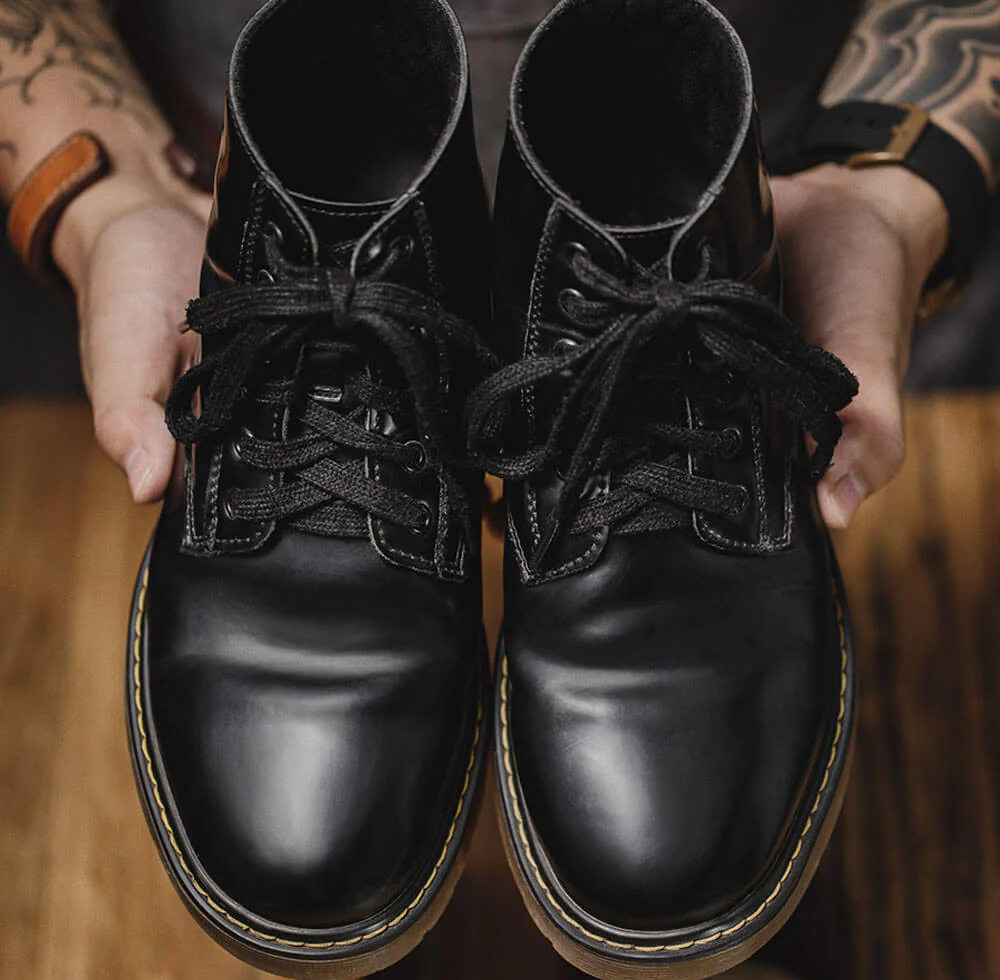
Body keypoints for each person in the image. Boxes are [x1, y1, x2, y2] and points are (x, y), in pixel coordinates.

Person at [0, 0, 994, 530]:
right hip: (208, 182)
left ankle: (668, 370)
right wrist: (106, 197)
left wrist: (886, 194)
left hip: (775, 204)